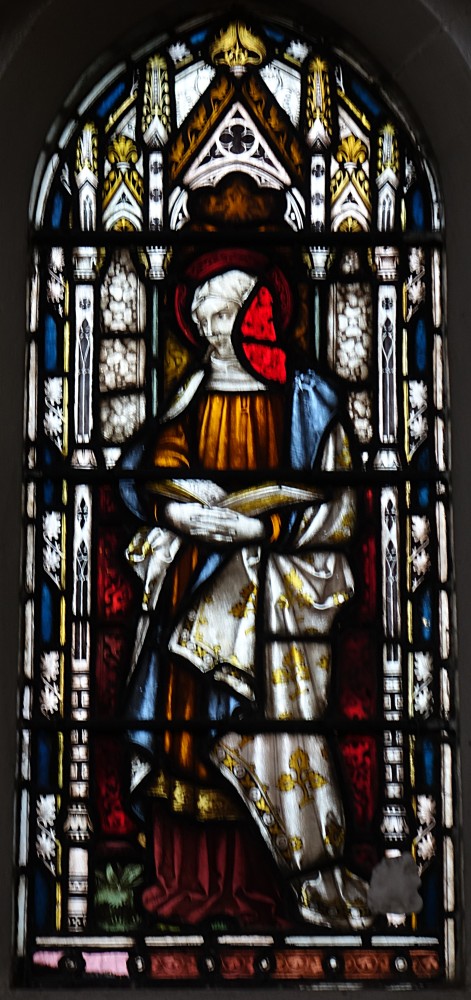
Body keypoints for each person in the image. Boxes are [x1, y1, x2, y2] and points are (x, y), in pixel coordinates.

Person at [122, 250, 371, 929]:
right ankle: (185, 884)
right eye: (203, 323)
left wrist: (261, 529)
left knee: (251, 728)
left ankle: (258, 888)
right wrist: (180, 513)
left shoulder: (300, 401)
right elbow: (157, 464)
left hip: (261, 593)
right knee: (185, 736)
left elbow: (332, 501)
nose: (210, 334)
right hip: (191, 587)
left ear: (250, 319)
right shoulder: (191, 393)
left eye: (221, 320)